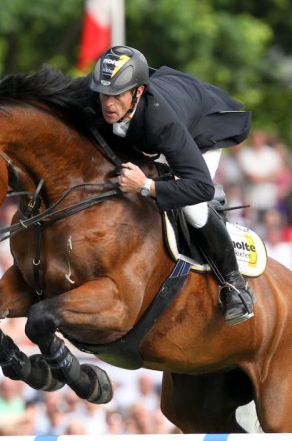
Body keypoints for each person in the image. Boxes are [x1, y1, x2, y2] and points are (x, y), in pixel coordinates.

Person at [88, 45, 255, 326]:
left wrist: (146, 187)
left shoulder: (160, 122)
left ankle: (235, 284)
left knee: (194, 209)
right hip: (169, 108)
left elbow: (201, 186)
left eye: (117, 96)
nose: (108, 103)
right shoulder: (98, 94)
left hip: (201, 130)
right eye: (104, 94)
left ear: (137, 93)